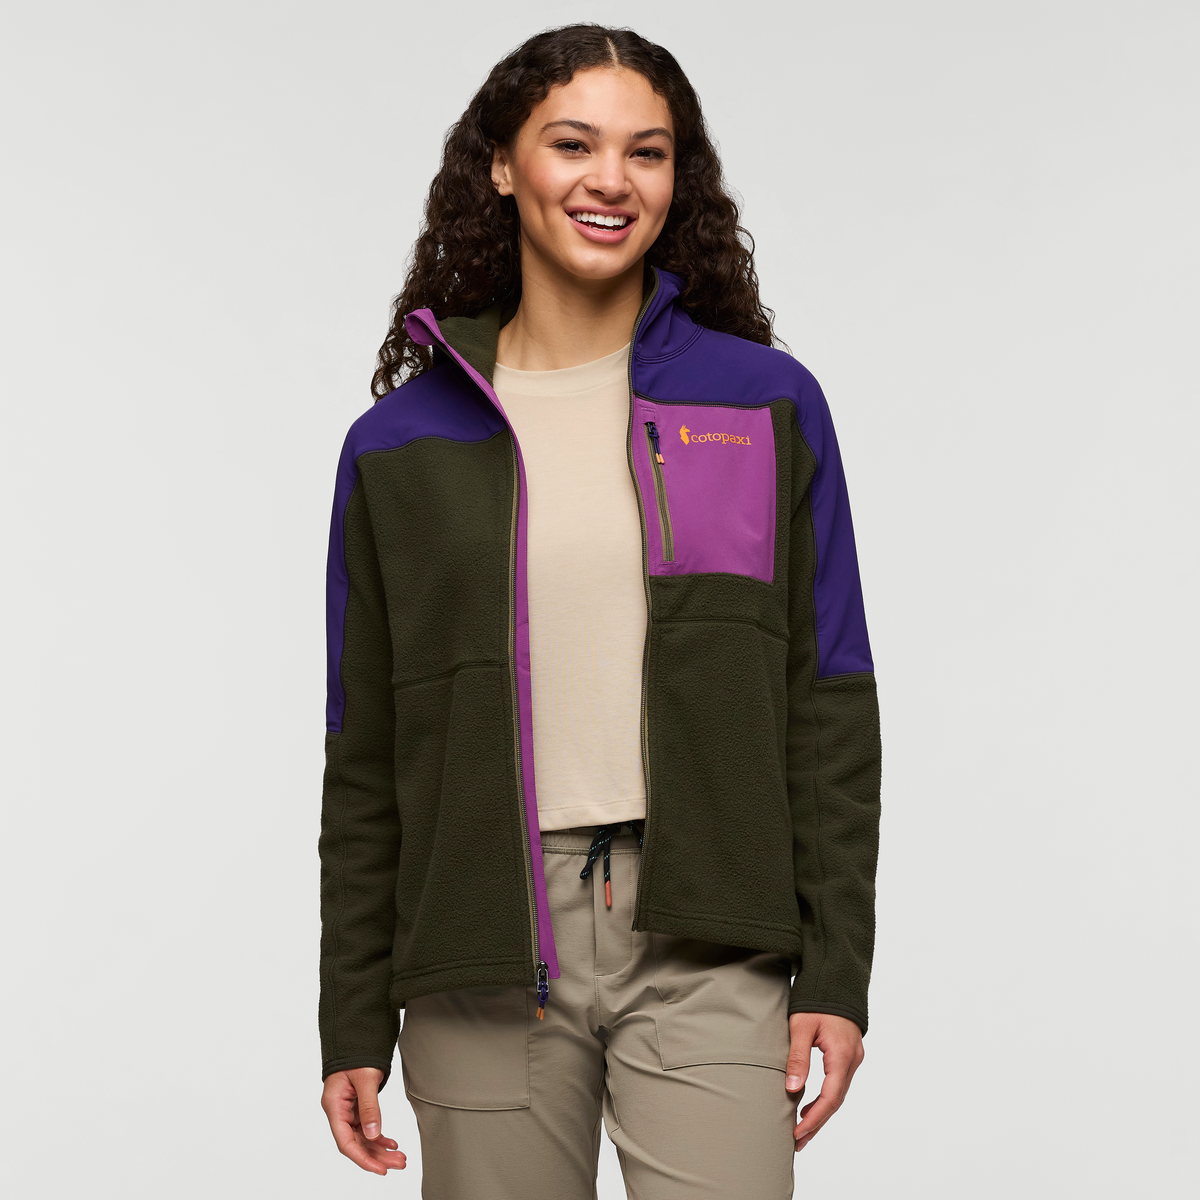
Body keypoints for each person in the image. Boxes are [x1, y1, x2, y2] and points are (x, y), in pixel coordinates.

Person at [318, 23, 881, 1198]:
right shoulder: (400, 446)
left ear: (679, 181)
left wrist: (835, 971)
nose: (611, 180)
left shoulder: (763, 405)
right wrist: (352, 1015)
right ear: (501, 165)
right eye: (572, 144)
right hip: (480, 943)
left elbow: (827, 699)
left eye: (647, 151)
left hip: (710, 937)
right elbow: (368, 753)